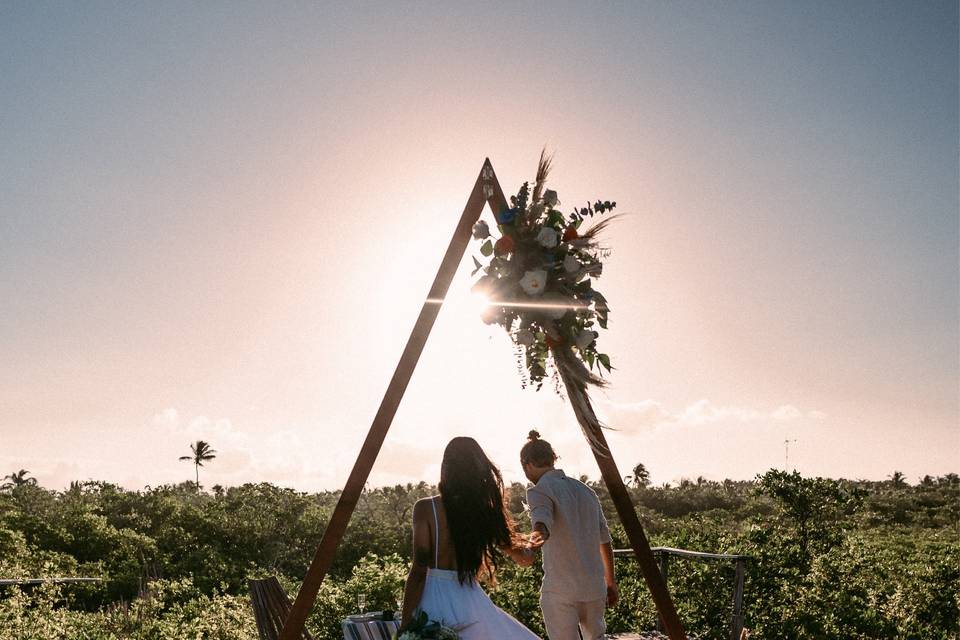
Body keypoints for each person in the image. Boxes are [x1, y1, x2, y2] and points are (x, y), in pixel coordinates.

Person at [399, 436, 542, 639]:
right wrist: (536, 541)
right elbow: (524, 559)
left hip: (432, 599)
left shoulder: (425, 508)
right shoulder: (483, 512)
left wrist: (405, 621)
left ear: (446, 467)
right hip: (469, 601)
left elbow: (419, 569)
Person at [522, 430, 618, 640]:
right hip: (594, 585)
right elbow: (605, 540)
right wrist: (610, 582)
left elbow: (542, 522)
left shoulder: (539, 490)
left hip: (561, 589)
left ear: (527, 464)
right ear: (552, 459)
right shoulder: (586, 491)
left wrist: (531, 544)